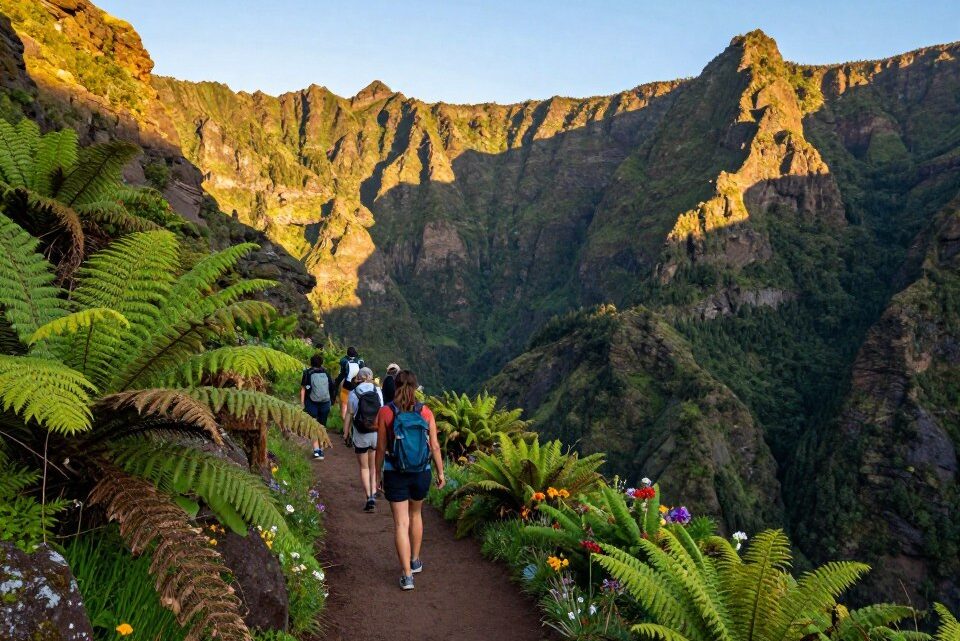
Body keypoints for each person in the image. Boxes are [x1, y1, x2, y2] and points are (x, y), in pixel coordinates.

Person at [375, 370, 445, 591]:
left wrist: (377, 474)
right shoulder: (425, 412)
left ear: (395, 386)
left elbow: (381, 448)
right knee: (416, 515)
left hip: (395, 472)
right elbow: (434, 446)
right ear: (415, 387)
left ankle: (407, 576)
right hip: (421, 472)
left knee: (400, 523)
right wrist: (441, 472)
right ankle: (415, 561)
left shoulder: (386, 412)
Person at [344, 367, 383, 512]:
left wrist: (346, 433)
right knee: (373, 466)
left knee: (364, 467)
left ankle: (369, 497)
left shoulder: (354, 393)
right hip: (376, 432)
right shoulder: (377, 390)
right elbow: (382, 409)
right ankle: (373, 493)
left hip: (361, 433)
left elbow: (350, 413)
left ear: (358, 378)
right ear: (371, 377)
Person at [301, 353, 335, 460]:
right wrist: (332, 401)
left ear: (311, 363)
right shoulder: (326, 373)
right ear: (321, 363)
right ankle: (321, 449)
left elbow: (303, 389)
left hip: (312, 402)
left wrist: (302, 403)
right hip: (325, 402)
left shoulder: (307, 373)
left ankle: (316, 451)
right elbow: (332, 388)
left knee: (313, 426)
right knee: (322, 426)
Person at [334, 346, 364, 423]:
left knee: (336, 386)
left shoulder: (343, 360)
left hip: (345, 380)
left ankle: (334, 399)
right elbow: (362, 368)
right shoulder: (359, 361)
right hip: (356, 381)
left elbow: (342, 369)